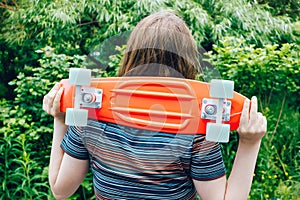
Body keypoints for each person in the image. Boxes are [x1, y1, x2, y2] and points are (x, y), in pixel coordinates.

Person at [43, 11, 267, 200]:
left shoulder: (91, 117)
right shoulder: (196, 130)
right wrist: (249, 143)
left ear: (132, 54)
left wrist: (60, 121)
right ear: (186, 60)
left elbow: (60, 189)